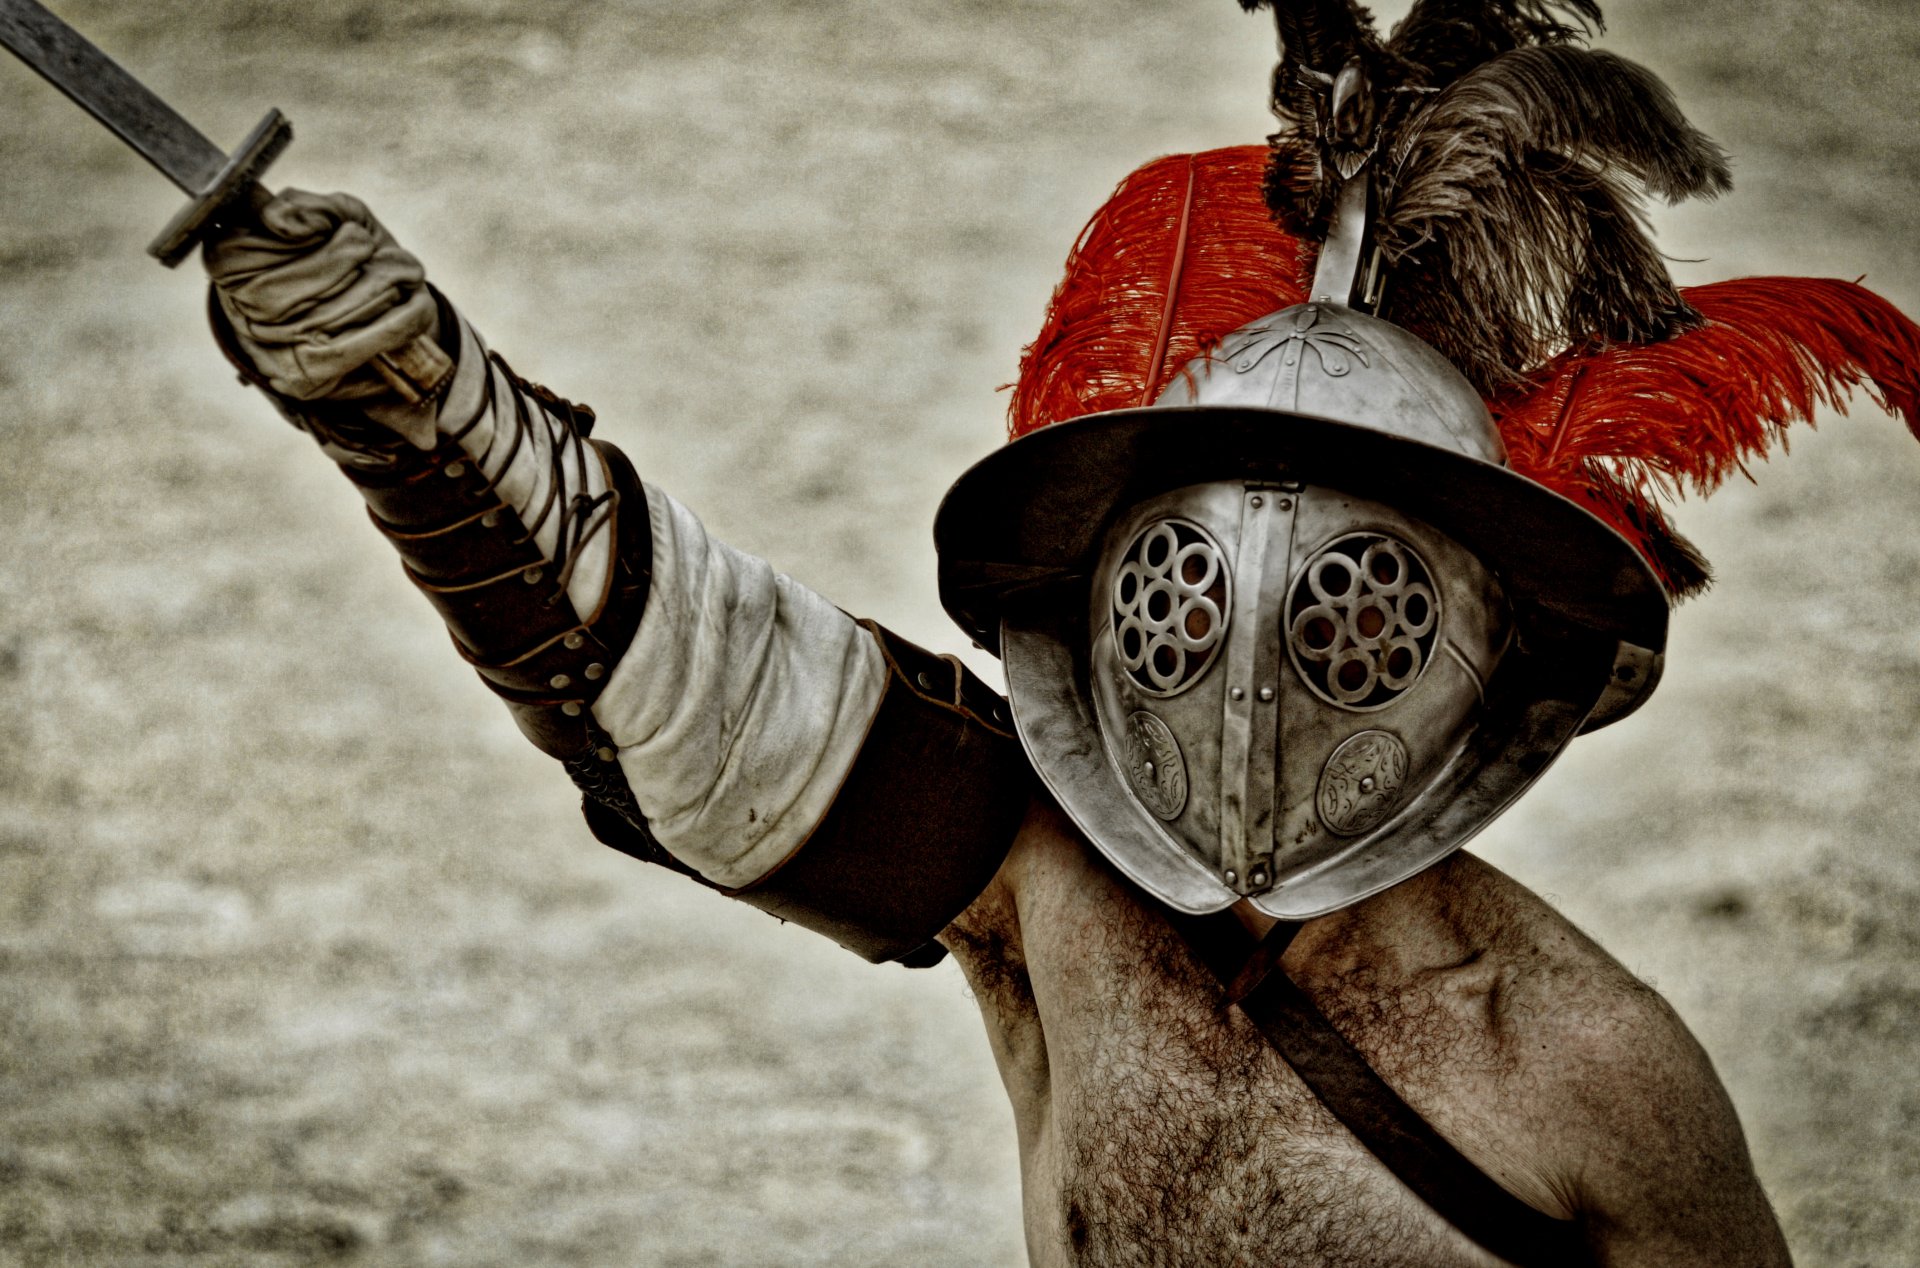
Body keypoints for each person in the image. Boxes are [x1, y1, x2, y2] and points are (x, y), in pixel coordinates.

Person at [192, 1, 1920, 1262]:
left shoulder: (1593, 1075)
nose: (1252, 656)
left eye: (1347, 613)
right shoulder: (1043, 876)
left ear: (1486, 655)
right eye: (1197, 585)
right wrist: (413, 403)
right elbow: (676, 679)